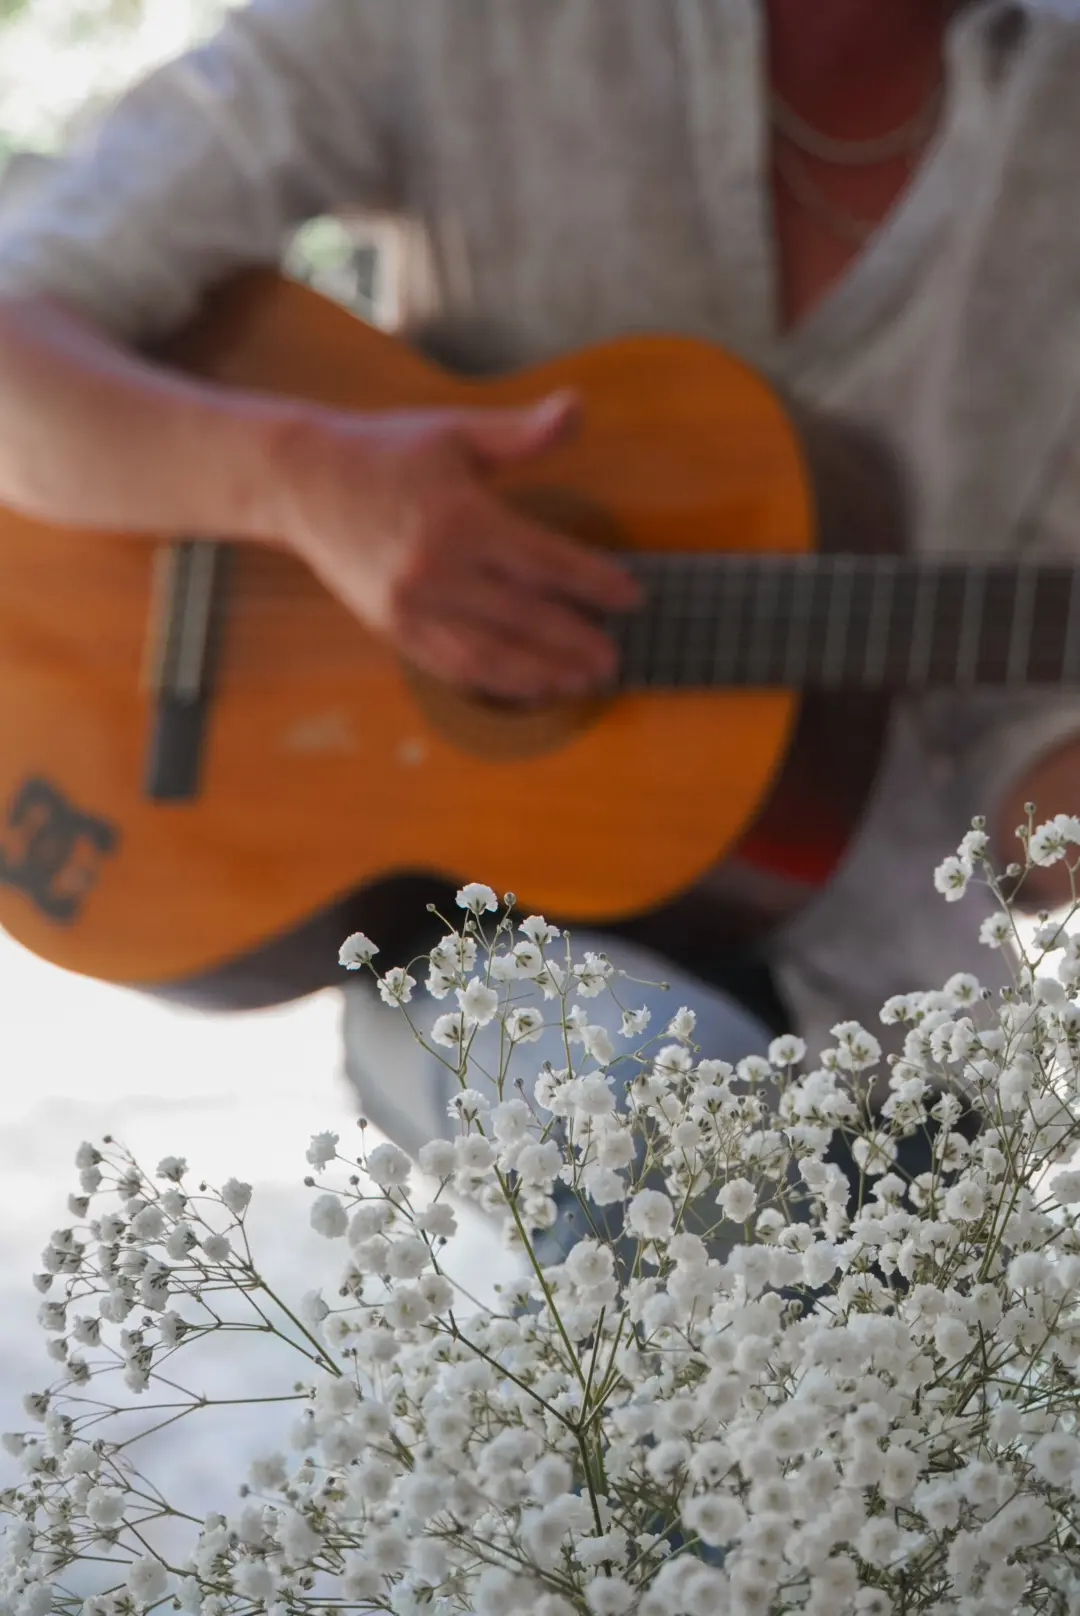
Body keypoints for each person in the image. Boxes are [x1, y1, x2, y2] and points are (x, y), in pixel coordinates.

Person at [0, 0, 1078, 1162]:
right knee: (655, 1129)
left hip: (897, 1011)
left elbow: (1016, 781)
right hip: (493, 960)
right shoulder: (448, 25)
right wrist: (302, 485)